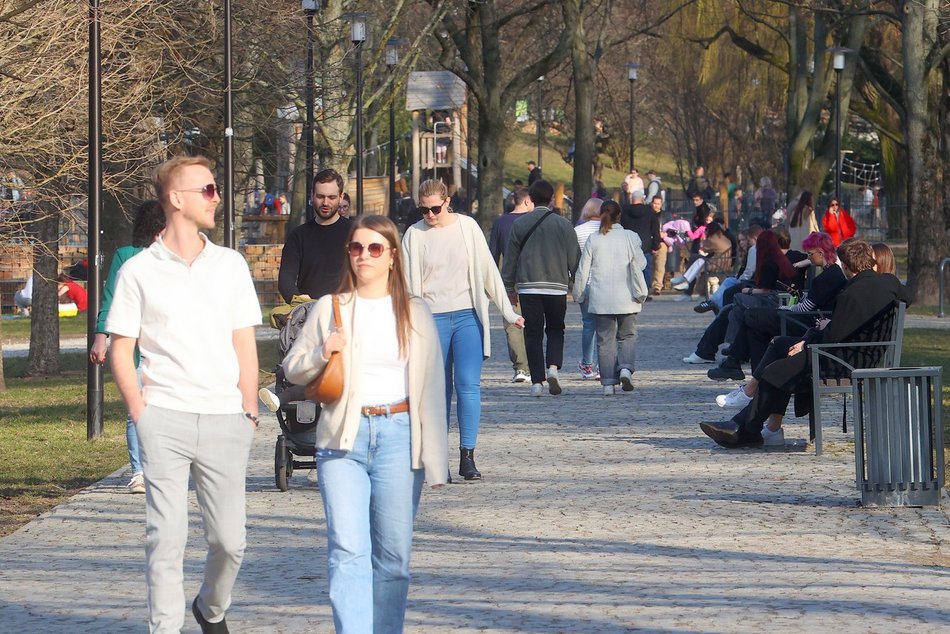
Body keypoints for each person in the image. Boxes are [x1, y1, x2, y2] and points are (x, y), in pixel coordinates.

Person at [107, 155, 262, 632]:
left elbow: (244, 342)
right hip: (165, 417)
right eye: (209, 190)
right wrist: (140, 411)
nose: (217, 197)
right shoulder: (139, 271)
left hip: (224, 417)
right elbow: (121, 347)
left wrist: (249, 407)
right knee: (165, 537)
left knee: (229, 541)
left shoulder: (230, 265)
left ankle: (211, 608)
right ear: (176, 200)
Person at [282, 215, 447, 633]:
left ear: (393, 256)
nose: (364, 256)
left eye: (375, 248)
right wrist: (322, 350)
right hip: (343, 440)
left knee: (393, 558)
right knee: (347, 551)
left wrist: (437, 459)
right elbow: (293, 368)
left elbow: (431, 388)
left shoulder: (416, 312)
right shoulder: (330, 307)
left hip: (398, 435)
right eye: (356, 248)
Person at [700, 239, 911, 448]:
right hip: (857, 353)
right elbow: (906, 298)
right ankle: (754, 423)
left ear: (846, 265)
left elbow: (833, 336)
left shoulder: (851, 293)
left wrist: (807, 341)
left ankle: (746, 428)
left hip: (841, 359)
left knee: (778, 368)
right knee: (781, 344)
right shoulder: (889, 283)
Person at [402, 179, 524, 480]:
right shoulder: (414, 235)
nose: (429, 215)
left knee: (468, 385)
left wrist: (508, 312)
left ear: (447, 202)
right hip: (430, 320)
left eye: (435, 208)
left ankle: (467, 455)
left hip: (467, 315)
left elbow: (488, 273)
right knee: (436, 392)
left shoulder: (467, 228)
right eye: (424, 209)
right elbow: (405, 285)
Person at [90, 200, 167, 495]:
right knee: (137, 410)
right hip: (136, 346)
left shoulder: (179, 258)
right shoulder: (127, 257)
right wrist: (102, 335)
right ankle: (139, 472)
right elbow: (110, 298)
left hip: (168, 346)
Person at [502, 180, 581, 397]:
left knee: (533, 334)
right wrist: (578, 285)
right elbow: (575, 259)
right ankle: (553, 367)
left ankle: (537, 382)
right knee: (556, 328)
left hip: (528, 287)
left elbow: (510, 259)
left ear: (531, 199)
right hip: (556, 286)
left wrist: (509, 286)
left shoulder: (520, 224)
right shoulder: (564, 225)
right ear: (551, 199)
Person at [573, 200, 648, 396]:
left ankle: (607, 383)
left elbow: (583, 270)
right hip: (627, 297)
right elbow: (641, 263)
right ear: (619, 216)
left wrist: (579, 293)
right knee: (627, 336)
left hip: (601, 298)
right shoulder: (631, 237)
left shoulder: (594, 239)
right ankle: (625, 368)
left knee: (604, 340)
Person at [277, 169, 352, 304]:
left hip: (348, 312)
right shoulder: (298, 236)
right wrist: (299, 301)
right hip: (309, 313)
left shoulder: (355, 233)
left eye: (331, 197)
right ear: (312, 195)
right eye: (320, 196)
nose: (325, 202)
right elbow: (285, 279)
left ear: (341, 197)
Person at [489, 187, 534, 383]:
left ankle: (521, 368)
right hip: (535, 277)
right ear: (526, 202)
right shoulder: (533, 221)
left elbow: (492, 254)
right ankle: (538, 365)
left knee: (513, 323)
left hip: (510, 279)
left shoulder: (500, 223)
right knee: (535, 323)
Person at [573, 198, 604, 380]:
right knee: (606, 327)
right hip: (606, 283)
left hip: (586, 282)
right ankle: (603, 366)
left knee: (588, 325)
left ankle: (587, 364)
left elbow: (574, 259)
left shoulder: (578, 231)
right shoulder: (607, 231)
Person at [620, 190, 660, 297]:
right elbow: (655, 230)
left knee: (628, 269)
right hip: (645, 244)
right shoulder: (650, 212)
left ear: (632, 199)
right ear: (642, 199)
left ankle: (629, 291)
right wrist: (656, 245)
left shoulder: (624, 211)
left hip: (628, 244)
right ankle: (645, 291)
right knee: (645, 269)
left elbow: (621, 227)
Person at [648, 195, 667, 296]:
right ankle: (650, 285)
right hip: (649, 242)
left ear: (661, 204)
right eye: (655, 203)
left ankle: (657, 286)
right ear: (652, 203)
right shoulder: (647, 214)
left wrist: (666, 234)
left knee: (660, 265)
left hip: (661, 242)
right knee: (650, 265)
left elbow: (672, 229)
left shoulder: (665, 216)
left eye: (658, 204)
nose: (656, 206)